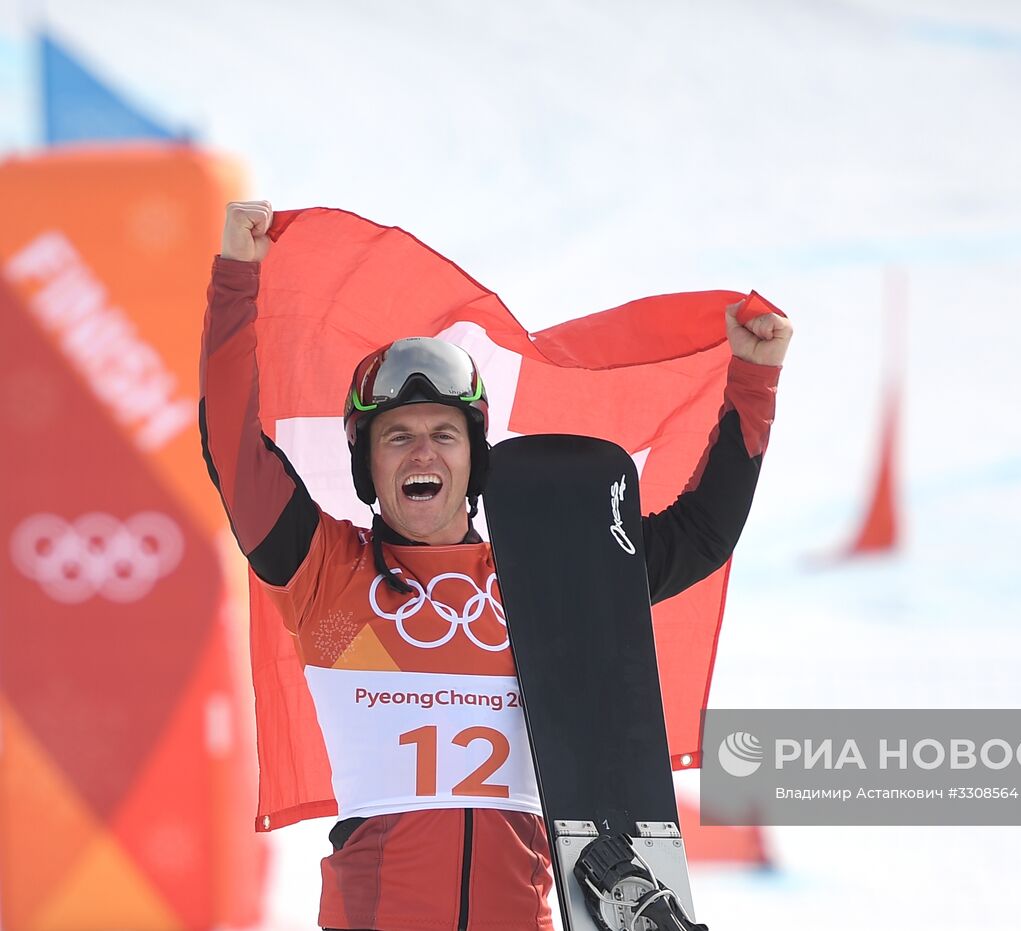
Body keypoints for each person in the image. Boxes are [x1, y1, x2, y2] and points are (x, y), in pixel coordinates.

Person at [200, 200, 792, 930]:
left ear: (476, 459)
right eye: (398, 437)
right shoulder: (325, 577)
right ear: (366, 466)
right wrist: (235, 279)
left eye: (445, 434)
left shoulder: (552, 581)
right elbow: (234, 447)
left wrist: (755, 381)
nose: (423, 453)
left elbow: (699, 533)